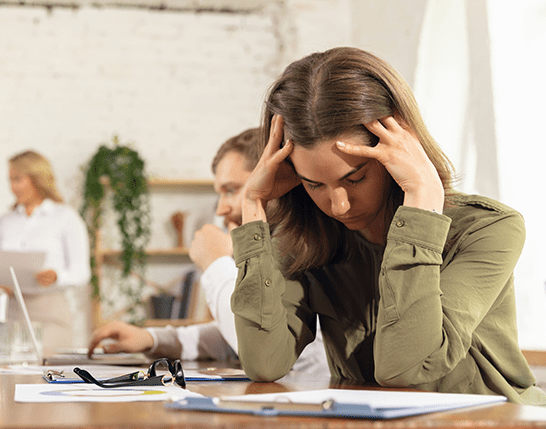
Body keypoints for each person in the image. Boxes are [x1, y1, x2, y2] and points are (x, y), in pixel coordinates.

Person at [232, 46, 546, 404]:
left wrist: (422, 198)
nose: (339, 205)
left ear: (398, 147)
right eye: (314, 184)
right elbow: (264, 362)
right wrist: (252, 206)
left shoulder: (490, 229)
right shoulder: (306, 241)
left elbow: (404, 368)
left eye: (355, 178)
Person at [88, 129, 329, 378]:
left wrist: (215, 263)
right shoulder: (274, 245)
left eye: (231, 190)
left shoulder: (307, 250)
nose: (222, 208)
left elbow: (264, 348)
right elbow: (246, 330)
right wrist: (153, 339)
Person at [0, 150, 90, 354]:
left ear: (37, 179)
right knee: (5, 376)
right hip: (10, 311)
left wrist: (56, 276)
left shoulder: (66, 217)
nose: (12, 187)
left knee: (43, 373)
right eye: (10, 180)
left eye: (18, 180)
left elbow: (82, 272)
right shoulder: (4, 222)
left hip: (50, 312)